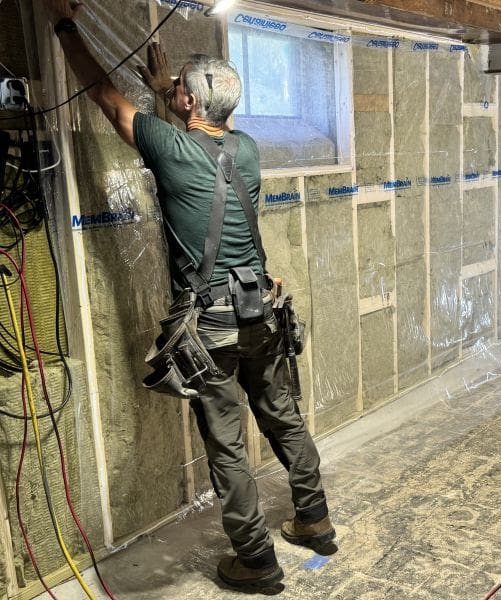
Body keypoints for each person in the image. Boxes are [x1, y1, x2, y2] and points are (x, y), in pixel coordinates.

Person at [42, 0, 335, 591]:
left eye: (178, 87)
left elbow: (101, 93)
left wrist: (64, 24)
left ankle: (255, 561)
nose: (171, 88)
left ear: (190, 104)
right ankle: (315, 520)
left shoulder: (169, 144)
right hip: (260, 312)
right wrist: (164, 92)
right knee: (284, 419)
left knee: (227, 444)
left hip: (211, 328)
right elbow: (199, 156)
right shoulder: (247, 149)